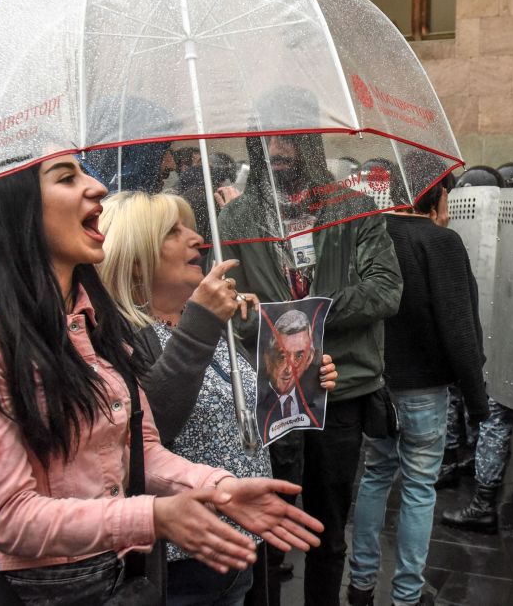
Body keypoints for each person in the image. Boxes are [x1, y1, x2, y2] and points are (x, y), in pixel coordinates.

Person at [0, 155, 324, 604]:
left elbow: (140, 450)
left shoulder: (89, 322)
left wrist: (219, 488)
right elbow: (10, 519)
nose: (96, 187)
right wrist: (153, 516)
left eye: (85, 171)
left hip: (121, 578)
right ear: (12, 209)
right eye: (66, 178)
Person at [96, 190, 339, 605]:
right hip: (181, 563)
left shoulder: (215, 325)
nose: (196, 238)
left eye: (190, 226)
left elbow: (241, 413)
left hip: (238, 543)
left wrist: (297, 379)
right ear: (136, 260)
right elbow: (152, 430)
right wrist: (202, 322)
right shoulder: (123, 338)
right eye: (173, 232)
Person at [219, 128, 403, 606]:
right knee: (265, 526)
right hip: (272, 393)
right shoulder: (237, 217)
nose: (279, 152)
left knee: (326, 526)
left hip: (340, 392)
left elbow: (385, 290)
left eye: (291, 141)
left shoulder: (354, 210)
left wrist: (307, 318)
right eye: (269, 143)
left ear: (311, 147)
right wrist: (260, 325)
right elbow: (229, 306)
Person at [346, 176, 489, 606]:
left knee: (374, 477)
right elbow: (459, 326)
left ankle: (361, 584)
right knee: (418, 488)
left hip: (377, 384)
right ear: (438, 195)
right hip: (425, 389)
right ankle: (407, 595)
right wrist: (477, 395)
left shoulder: (369, 233)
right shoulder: (440, 242)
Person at [257, 309, 323, 438]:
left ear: (309, 358)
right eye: (282, 357)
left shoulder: (314, 400)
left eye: (299, 356)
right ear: (267, 358)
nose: (289, 369)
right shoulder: (257, 401)